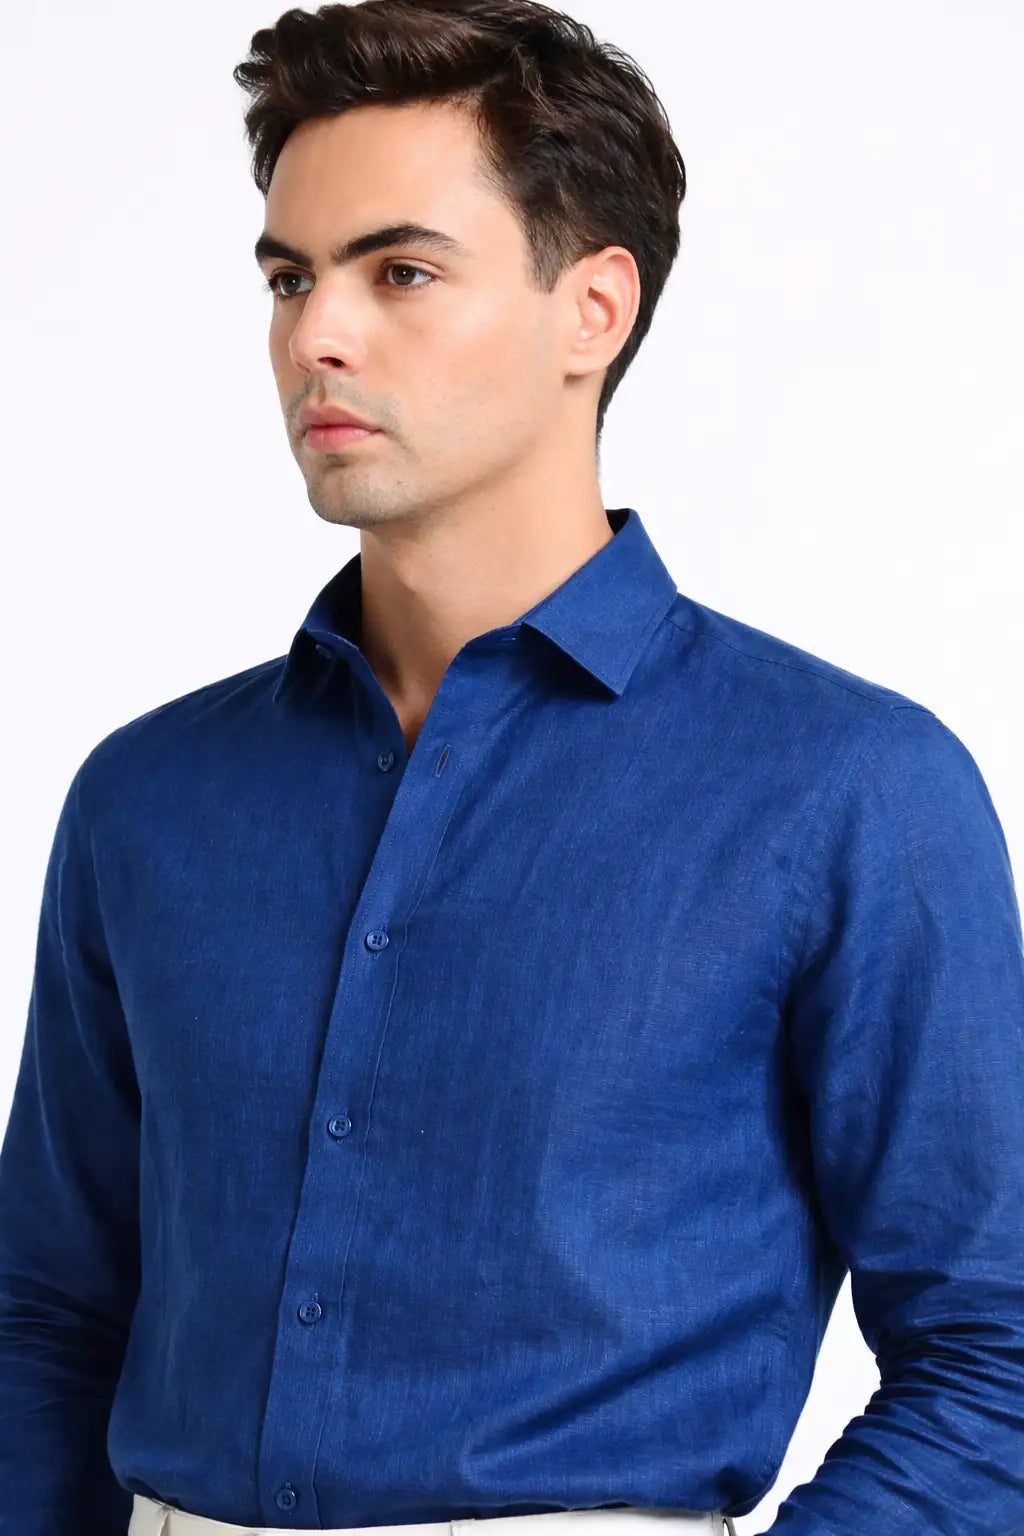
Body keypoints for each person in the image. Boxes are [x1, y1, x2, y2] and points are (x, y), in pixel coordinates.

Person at [2, 0, 1023, 1532]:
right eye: (290, 277)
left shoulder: (850, 792)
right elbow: (48, 1320)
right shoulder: (147, 801)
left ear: (592, 310)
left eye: (400, 272)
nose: (316, 336)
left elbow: (995, 1358)